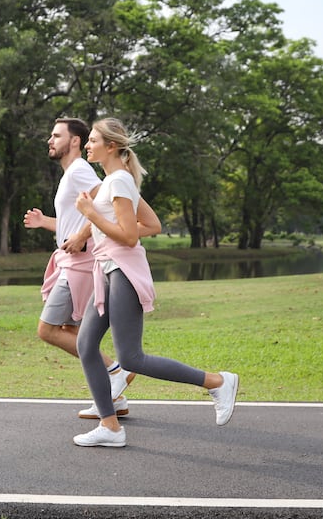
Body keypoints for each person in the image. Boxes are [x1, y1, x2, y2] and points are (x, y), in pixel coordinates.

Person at [71, 117, 239, 448]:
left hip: (122, 271)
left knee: (131, 357)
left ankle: (217, 382)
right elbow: (153, 224)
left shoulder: (118, 182)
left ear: (112, 146)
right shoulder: (115, 182)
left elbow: (131, 238)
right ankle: (110, 426)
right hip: (107, 271)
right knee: (86, 344)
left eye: (91, 140)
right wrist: (103, 227)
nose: (87, 145)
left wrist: (92, 216)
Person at [24, 118, 161, 418]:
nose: (50, 139)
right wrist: (46, 222)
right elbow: (80, 221)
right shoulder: (73, 173)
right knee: (73, 331)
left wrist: (84, 234)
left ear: (74, 140)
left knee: (48, 330)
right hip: (75, 262)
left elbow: (102, 208)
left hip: (82, 264)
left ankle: (115, 373)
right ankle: (113, 403)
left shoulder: (83, 171)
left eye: (56, 135)